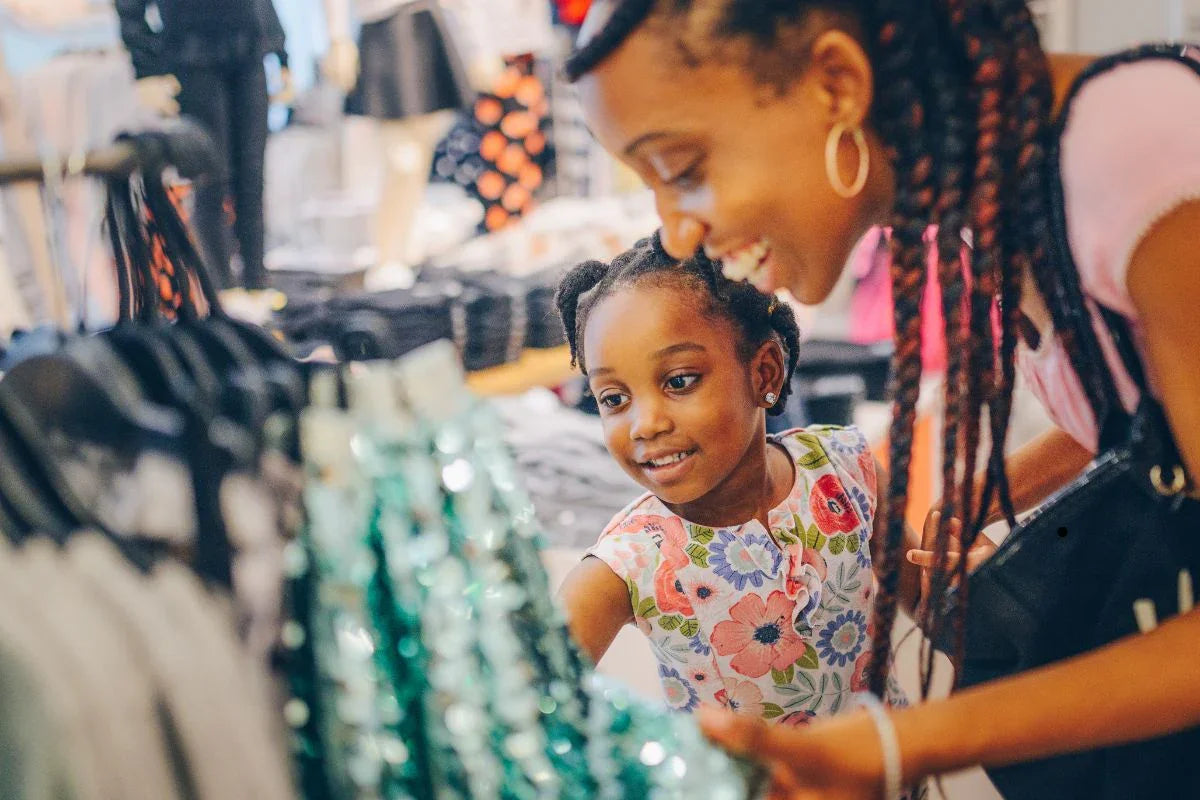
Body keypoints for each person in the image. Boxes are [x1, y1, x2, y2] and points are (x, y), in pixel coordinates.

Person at [561, 0, 1200, 796]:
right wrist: (976, 502)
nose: (677, 232)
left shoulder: (1140, 165)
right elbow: (1147, 402)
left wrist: (896, 745)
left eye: (684, 168)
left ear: (836, 83)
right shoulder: (1014, 186)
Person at [554, 235, 927, 745]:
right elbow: (532, 704)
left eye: (680, 381)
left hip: (889, 775)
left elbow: (932, 603)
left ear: (764, 372)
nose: (645, 424)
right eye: (614, 398)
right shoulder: (630, 560)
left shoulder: (846, 468)